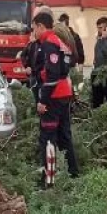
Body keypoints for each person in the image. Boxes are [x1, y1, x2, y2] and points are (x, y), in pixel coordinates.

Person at [32, 12, 79, 188]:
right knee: (64, 136)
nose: (34, 33)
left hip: (54, 96)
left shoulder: (49, 44)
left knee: (48, 138)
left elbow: (51, 75)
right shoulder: (60, 43)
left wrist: (43, 100)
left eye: (34, 29)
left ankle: (48, 181)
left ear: (40, 26)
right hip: (64, 94)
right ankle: (73, 174)